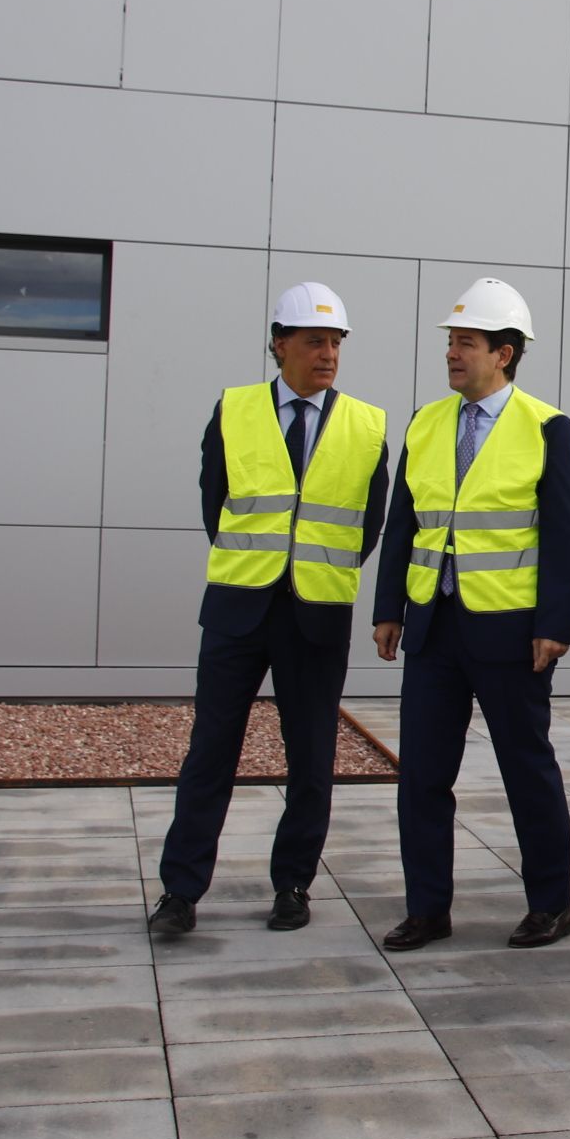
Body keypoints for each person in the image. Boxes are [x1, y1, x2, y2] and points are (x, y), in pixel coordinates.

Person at [152, 283, 389, 936]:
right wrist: (259, 566)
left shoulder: (368, 425)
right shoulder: (233, 411)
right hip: (238, 609)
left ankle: (293, 884)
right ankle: (180, 892)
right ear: (279, 344)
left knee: (311, 757)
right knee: (210, 753)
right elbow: (215, 505)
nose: (328, 354)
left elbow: (369, 525)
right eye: (315, 341)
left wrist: (313, 569)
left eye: (337, 343)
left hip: (316, 614)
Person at [371, 278, 570, 952]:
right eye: (451, 342)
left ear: (506, 353)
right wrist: (387, 609)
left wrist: (555, 624)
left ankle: (551, 905)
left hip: (512, 634)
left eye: (466, 342)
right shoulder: (425, 422)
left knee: (528, 770)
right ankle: (427, 908)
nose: (452, 353)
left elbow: (564, 534)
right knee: (424, 776)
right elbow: (402, 522)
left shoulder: (548, 427)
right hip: (433, 630)